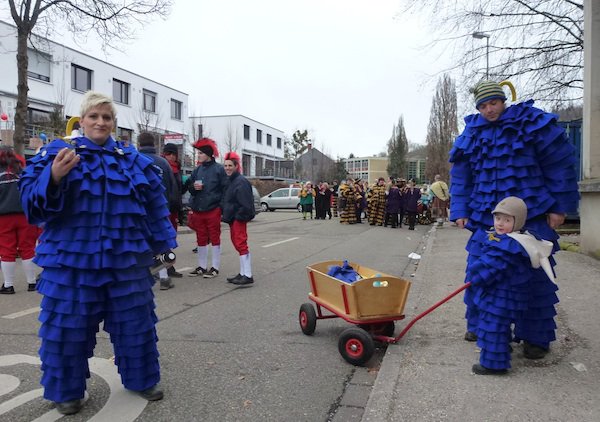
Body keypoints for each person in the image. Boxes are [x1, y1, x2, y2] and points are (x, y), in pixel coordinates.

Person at [19, 91, 177, 415]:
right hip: (71, 263)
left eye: (107, 117)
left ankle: (142, 379)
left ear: (113, 123)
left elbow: (155, 209)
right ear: (83, 119)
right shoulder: (58, 153)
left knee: (136, 324)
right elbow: (30, 202)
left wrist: (164, 255)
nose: (101, 122)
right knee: (67, 328)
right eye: (94, 116)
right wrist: (53, 177)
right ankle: (66, 392)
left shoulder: (134, 160)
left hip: (126, 263)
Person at [449, 80, 579, 358]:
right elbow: (461, 176)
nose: (489, 110)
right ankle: (483, 326)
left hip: (531, 216)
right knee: (481, 272)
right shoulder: (472, 132)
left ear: (503, 100)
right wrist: (459, 209)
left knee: (533, 276)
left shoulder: (532, 123)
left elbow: (558, 165)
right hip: (487, 219)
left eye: (493, 103)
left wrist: (559, 207)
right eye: (483, 106)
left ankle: (535, 337)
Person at [468, 197, 556, 375]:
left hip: (501, 296)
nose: (500, 224)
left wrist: (476, 277)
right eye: (497, 218)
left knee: (493, 326)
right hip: (509, 294)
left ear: (519, 222)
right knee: (500, 327)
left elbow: (491, 267)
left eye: (507, 220)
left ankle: (494, 364)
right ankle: (501, 351)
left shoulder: (508, 244)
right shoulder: (520, 239)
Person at [138, 133, 181, 290]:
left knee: (140, 243)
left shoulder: (133, 160)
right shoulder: (163, 162)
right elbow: (171, 187)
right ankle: (164, 278)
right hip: (160, 208)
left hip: (140, 209)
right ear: (154, 145)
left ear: (139, 144)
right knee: (160, 243)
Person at [185, 138, 228, 278]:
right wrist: (193, 188)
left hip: (213, 209)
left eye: (201, 153)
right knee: (200, 238)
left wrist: (220, 207)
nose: (198, 155)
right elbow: (189, 187)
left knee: (215, 238)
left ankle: (215, 267)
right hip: (198, 209)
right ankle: (202, 267)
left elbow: (225, 190)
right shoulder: (197, 170)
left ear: (208, 154)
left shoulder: (219, 169)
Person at [0, 146, 39, 294]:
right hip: (25, 215)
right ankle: (32, 282)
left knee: (6, 251)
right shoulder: (23, 172)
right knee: (27, 249)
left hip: (3, 217)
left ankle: (9, 285)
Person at [222, 152, 255, 286]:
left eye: (230, 165)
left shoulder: (240, 181)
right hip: (234, 218)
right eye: (225, 165)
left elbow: (245, 204)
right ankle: (243, 273)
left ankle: (247, 274)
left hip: (238, 218)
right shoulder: (232, 181)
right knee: (238, 244)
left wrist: (237, 217)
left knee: (241, 244)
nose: (227, 168)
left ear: (236, 166)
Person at [161, 143, 185, 280]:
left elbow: (179, 190)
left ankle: (168, 266)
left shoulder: (177, 169)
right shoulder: (162, 167)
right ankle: (164, 268)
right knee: (164, 238)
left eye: (173, 154)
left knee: (171, 238)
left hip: (174, 208)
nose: (170, 156)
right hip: (165, 208)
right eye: (168, 153)